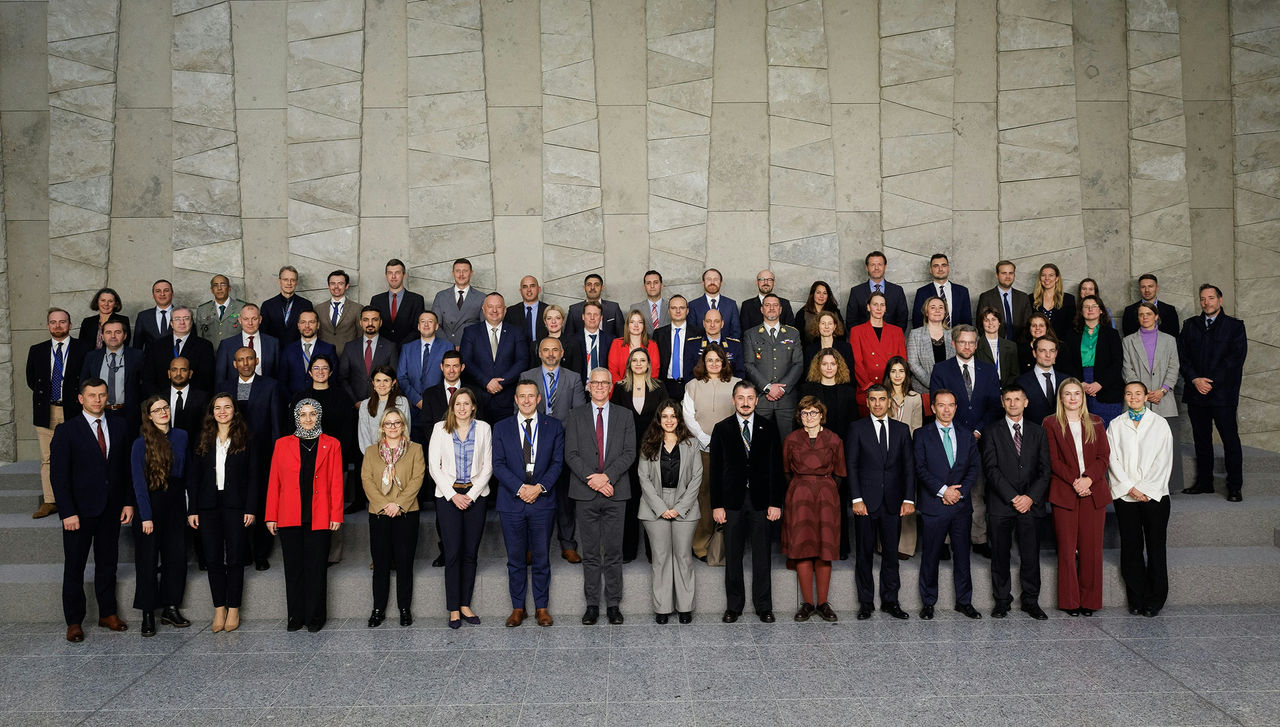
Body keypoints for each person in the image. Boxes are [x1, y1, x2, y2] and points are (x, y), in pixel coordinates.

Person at [51, 379, 134, 642]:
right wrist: (67, 512)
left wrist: (128, 502)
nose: (97, 400)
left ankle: (107, 613)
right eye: (91, 396)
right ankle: (74, 621)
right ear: (80, 399)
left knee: (107, 564)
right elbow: (59, 476)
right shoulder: (67, 430)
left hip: (111, 508)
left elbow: (125, 469)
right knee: (74, 567)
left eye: (101, 395)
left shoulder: (120, 426)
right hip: (79, 512)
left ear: (107, 397)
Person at [564, 368, 637, 626]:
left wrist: (607, 477)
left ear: (610, 387)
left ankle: (614, 604)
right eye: (594, 382)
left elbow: (629, 453)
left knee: (614, 552)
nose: (599, 386)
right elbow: (571, 454)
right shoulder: (575, 415)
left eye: (604, 383)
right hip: (585, 493)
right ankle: (592, 604)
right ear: (588, 386)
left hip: (615, 492)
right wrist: (592, 479)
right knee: (592, 553)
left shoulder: (625, 415)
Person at [265, 399, 344, 632]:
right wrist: (271, 515)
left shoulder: (332, 444)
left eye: (312, 414)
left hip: (320, 515)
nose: (307, 419)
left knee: (316, 568)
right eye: (303, 414)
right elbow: (274, 482)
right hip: (289, 515)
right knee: (293, 568)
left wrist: (336, 514)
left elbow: (337, 483)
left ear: (318, 416)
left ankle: (315, 617)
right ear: (296, 418)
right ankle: (295, 616)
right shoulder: (282, 444)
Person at [709, 381, 785, 624]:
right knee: (733, 556)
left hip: (761, 502)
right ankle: (734, 606)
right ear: (733, 400)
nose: (745, 402)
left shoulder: (769, 427)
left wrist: (775, 502)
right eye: (740, 397)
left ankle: (764, 606)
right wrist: (717, 505)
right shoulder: (721, 429)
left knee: (762, 556)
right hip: (732, 503)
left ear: (756, 400)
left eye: (750, 398)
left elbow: (776, 468)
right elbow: (715, 471)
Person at [492, 380, 564, 627]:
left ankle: (542, 608)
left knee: (542, 557)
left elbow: (557, 463)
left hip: (542, 501)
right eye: (521, 396)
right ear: (515, 399)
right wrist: (521, 488)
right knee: (515, 559)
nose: (526, 400)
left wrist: (539, 488)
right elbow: (498, 464)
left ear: (538, 399)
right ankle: (518, 608)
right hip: (512, 502)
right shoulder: (501, 428)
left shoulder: (553, 426)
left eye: (530, 396)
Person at [929, 325, 1002, 558]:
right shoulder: (941, 369)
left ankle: (978, 538)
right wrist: (960, 433)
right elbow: (939, 405)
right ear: (954, 344)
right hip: (949, 438)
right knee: (947, 488)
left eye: (971, 342)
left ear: (977, 344)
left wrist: (979, 431)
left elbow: (994, 406)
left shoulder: (989, 370)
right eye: (963, 342)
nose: (967, 346)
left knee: (977, 490)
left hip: (980, 440)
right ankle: (943, 540)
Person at [980, 384, 1051, 620]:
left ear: (1026, 402)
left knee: (1030, 555)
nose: (1013, 403)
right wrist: (1013, 497)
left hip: (1031, 504)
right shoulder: (991, 431)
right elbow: (991, 469)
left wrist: (1030, 497)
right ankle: (1002, 600)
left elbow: (1045, 470)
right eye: (1008, 399)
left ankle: (1031, 600)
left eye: (1017, 399)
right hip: (1001, 504)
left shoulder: (1038, 432)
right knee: (1000, 555)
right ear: (1002, 402)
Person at [187, 393, 256, 633]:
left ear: (235, 411)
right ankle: (219, 608)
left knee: (236, 557)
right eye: (218, 407)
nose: (222, 411)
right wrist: (192, 508)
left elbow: (254, 477)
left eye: (227, 407)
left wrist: (250, 508)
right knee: (213, 558)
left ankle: (234, 608)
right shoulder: (203, 438)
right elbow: (193, 477)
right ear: (212, 412)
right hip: (207, 505)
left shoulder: (247, 438)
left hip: (236, 504)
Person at [846, 384, 914, 620]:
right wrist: (856, 498)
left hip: (893, 502)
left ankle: (890, 601)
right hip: (865, 502)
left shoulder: (902, 430)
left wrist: (908, 498)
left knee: (891, 555)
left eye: (882, 399)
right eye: (873, 399)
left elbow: (908, 468)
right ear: (867, 402)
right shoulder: (856, 429)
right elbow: (851, 466)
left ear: (889, 402)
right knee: (864, 554)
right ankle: (866, 603)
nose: (877, 404)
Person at [1044, 378, 1110, 616]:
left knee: (1092, 550)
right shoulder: (1050, 423)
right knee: (1067, 550)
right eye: (1068, 394)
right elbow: (1053, 460)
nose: (1073, 398)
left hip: (1093, 492)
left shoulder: (1096, 422)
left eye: (1077, 394)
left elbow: (1103, 456)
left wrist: (1089, 479)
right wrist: (1076, 481)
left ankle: (1090, 601)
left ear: (1083, 398)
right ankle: (1070, 601)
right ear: (1061, 398)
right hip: (1065, 492)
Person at [912, 389, 980, 620]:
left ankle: (964, 601)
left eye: (951, 404)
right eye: (941, 405)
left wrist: (958, 493)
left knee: (962, 555)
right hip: (934, 503)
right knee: (930, 555)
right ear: (932, 408)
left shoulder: (966, 434)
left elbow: (973, 468)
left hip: (961, 505)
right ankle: (929, 602)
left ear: (956, 407)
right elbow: (920, 468)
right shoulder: (921, 435)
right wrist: (943, 491)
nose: (947, 409)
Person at [1108, 382, 1174, 617]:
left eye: (1138, 393)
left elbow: (1164, 460)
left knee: (1156, 548)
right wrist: (1130, 488)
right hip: (1126, 497)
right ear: (1124, 397)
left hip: (1155, 496)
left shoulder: (1160, 424)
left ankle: (1155, 599)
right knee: (1131, 548)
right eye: (1129, 393)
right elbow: (1112, 459)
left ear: (1146, 396)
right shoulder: (1116, 425)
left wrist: (1144, 489)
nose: (1133, 397)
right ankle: (1137, 597)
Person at [427, 388, 492, 628]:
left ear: (473, 406)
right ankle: (453, 608)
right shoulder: (440, 428)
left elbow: (488, 466)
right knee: (452, 552)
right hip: (448, 496)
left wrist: (471, 495)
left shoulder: (484, 428)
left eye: (467, 404)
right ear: (452, 407)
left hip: (476, 496)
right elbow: (434, 466)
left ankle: (465, 603)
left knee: (470, 553)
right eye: (458, 404)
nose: (462, 408)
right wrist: (454, 495)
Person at [216, 347, 283, 571]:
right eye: (240, 360)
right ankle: (242, 552)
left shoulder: (270, 385)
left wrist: (276, 455)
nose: (245, 363)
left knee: (263, 504)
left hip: (262, 455)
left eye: (249, 359)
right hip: (232, 456)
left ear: (257, 360)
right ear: (234, 364)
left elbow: (275, 424)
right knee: (237, 504)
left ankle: (261, 554)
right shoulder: (224, 387)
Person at [1178, 284, 1247, 501]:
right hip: (1196, 392)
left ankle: (1234, 486)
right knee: (1202, 440)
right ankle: (1204, 482)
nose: (1206, 302)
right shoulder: (1190, 325)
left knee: (1230, 440)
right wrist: (1195, 379)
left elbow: (1235, 360)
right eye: (1203, 299)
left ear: (1220, 300)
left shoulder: (1235, 327)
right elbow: (1182, 356)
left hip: (1223, 395)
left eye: (1211, 298)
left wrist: (1211, 382)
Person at [781, 397, 847, 622]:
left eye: (813, 413)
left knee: (824, 547)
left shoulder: (834, 439)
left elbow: (840, 472)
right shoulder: (791, 439)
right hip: (799, 497)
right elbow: (786, 471)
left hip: (826, 498)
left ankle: (823, 603)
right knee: (803, 546)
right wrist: (803, 487)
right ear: (799, 417)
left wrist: (824, 488)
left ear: (821, 415)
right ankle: (808, 603)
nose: (809, 417)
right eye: (804, 413)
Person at [520, 337, 586, 563]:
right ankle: (531, 547)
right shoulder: (527, 377)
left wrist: (555, 432)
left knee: (565, 498)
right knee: (534, 498)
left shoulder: (573, 378)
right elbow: (522, 411)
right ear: (539, 353)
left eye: (555, 350)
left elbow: (577, 413)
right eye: (546, 350)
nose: (550, 354)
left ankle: (568, 545)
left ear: (562, 352)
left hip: (565, 444)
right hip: (533, 444)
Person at [129, 395, 191, 636]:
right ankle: (147, 613)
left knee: (175, 558)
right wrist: (145, 516)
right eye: (157, 410)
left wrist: (189, 508)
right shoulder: (140, 443)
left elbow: (186, 474)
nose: (163, 412)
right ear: (149, 415)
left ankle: (171, 607)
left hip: (175, 503)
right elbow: (138, 483)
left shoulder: (182, 436)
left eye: (166, 407)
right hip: (150, 505)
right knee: (147, 561)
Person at [636, 401, 702, 624]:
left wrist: (680, 508)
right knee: (661, 558)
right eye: (664, 416)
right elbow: (643, 478)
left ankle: (685, 607)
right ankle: (662, 608)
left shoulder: (692, 444)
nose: (669, 420)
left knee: (683, 557)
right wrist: (662, 509)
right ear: (658, 419)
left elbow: (696, 478)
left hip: (686, 504)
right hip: (654, 504)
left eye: (673, 416)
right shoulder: (649, 444)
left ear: (679, 418)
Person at [361, 407, 425, 627]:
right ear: (382, 427)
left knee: (405, 562)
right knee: (380, 563)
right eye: (388, 423)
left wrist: (398, 504)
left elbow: (418, 479)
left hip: (406, 512)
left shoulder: (415, 449)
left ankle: (404, 609)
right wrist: (384, 505)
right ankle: (378, 609)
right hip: (379, 513)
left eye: (397, 423)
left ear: (403, 425)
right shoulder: (371, 451)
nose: (393, 427)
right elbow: (366, 480)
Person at [682, 344, 741, 562]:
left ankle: (727, 545)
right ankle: (701, 545)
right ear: (703, 363)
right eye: (710, 360)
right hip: (702, 450)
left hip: (731, 452)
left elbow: (742, 414)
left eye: (718, 360)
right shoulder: (692, 386)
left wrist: (723, 442)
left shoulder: (736, 385)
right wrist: (707, 440)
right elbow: (688, 416)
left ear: (724, 362)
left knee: (730, 497)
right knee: (704, 498)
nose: (714, 364)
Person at [28, 308, 88, 519]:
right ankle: (50, 501)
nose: (58, 326)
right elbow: (31, 380)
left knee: (78, 455)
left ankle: (77, 498)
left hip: (75, 410)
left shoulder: (83, 349)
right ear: (48, 325)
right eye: (53, 322)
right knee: (48, 458)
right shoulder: (37, 350)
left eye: (62, 322)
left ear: (70, 325)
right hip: (47, 410)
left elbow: (87, 378)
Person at [798, 349, 858, 560]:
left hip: (839, 452)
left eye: (833, 364)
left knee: (838, 500)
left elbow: (853, 425)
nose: (829, 368)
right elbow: (802, 421)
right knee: (813, 501)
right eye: (825, 364)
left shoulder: (848, 391)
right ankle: (814, 546)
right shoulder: (808, 389)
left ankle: (839, 546)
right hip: (814, 453)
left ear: (839, 366)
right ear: (818, 366)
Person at [611, 348, 665, 563]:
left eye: (643, 360)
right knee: (630, 500)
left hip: (653, 451)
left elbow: (667, 419)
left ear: (649, 363)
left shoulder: (660, 387)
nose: (639, 363)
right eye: (635, 360)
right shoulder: (620, 388)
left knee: (652, 499)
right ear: (629, 363)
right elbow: (614, 421)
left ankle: (654, 552)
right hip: (627, 453)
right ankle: (628, 551)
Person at [1121, 302, 1183, 491]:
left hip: (1164, 398)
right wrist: (1143, 393)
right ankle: (1138, 484)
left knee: (1166, 444)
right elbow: (1127, 369)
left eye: (1149, 314)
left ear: (1156, 316)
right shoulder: (1128, 341)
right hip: (1138, 399)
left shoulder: (1169, 340)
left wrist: (1162, 390)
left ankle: (1169, 485)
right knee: (1137, 445)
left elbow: (1174, 367)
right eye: (1141, 314)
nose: (1145, 317)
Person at [460, 292, 530, 421]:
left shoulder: (516, 332)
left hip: (507, 398)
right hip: (478, 399)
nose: (494, 310)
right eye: (490, 306)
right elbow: (466, 361)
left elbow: (522, 361)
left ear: (504, 309)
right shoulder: (470, 332)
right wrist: (486, 382)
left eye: (498, 307)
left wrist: (501, 382)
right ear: (483, 309)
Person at [744, 294, 804, 436]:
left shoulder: (793, 333)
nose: (771, 308)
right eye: (767, 305)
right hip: (761, 399)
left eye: (775, 305)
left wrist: (781, 389)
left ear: (781, 309)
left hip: (786, 400)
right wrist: (768, 387)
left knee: (788, 443)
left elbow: (798, 364)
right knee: (760, 443)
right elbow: (749, 365)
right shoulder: (751, 334)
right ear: (762, 309)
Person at [883, 357, 923, 561]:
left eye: (901, 371)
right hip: (885, 454)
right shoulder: (882, 396)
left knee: (907, 498)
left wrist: (912, 457)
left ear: (907, 374)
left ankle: (906, 546)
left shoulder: (915, 397)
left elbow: (917, 429)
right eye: (893, 371)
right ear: (888, 374)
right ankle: (885, 544)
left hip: (907, 454)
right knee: (886, 500)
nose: (897, 375)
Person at [81, 319, 145, 437]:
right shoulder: (92, 357)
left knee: (127, 451)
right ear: (102, 336)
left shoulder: (137, 356)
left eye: (118, 332)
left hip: (128, 414)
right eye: (108, 332)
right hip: (99, 412)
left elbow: (145, 385)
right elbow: (84, 384)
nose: (113, 336)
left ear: (125, 335)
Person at [850, 291, 908, 416]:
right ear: (868, 307)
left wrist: (894, 386)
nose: (879, 308)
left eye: (882, 305)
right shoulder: (857, 331)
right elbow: (857, 362)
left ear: (886, 308)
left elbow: (902, 361)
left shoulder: (896, 331)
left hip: (893, 390)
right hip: (867, 390)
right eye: (875, 304)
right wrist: (870, 387)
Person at [397, 310, 452, 443]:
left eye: (430, 321)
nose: (426, 325)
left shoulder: (447, 346)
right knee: (415, 446)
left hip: (438, 406)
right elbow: (401, 377)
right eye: (423, 322)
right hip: (413, 406)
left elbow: (450, 375)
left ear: (437, 326)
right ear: (418, 326)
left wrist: (429, 400)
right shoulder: (407, 348)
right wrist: (417, 400)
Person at [1070, 295, 1124, 423]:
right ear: (1081, 311)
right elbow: (1067, 363)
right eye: (1086, 307)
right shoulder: (1071, 334)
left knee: (1107, 431)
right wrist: (1080, 383)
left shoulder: (1112, 334)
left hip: (1106, 386)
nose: (1090, 309)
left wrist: (1100, 384)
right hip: (1079, 384)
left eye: (1094, 306)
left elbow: (1117, 363)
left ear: (1101, 311)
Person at [143, 306, 215, 393]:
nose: (182, 322)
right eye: (177, 319)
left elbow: (206, 379)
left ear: (191, 322)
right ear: (171, 323)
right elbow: (148, 377)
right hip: (161, 400)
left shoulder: (205, 346)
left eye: (186, 318)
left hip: (193, 401)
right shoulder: (156, 346)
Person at [339, 306, 399, 403]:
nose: (370, 323)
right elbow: (343, 378)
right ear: (360, 323)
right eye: (366, 320)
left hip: (382, 404)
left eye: (374, 320)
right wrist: (355, 401)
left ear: (380, 322)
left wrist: (383, 401)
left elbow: (394, 378)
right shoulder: (349, 347)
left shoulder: (390, 347)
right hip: (354, 405)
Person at [214, 303, 279, 383]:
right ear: (240, 320)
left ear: (260, 319)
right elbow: (220, 378)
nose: (250, 323)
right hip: (235, 393)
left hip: (265, 392)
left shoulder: (272, 343)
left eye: (254, 319)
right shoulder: (226, 345)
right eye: (246, 319)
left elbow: (277, 375)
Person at [279, 309, 337, 397]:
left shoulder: (328, 349)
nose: (307, 326)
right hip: (294, 401)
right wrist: (290, 402)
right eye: (303, 322)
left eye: (311, 322)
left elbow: (333, 378)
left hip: (322, 400)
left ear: (318, 325)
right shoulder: (288, 349)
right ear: (298, 325)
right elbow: (282, 380)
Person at [847, 251, 910, 330]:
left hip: (891, 339)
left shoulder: (897, 290)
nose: (876, 268)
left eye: (880, 264)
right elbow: (851, 321)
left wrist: (893, 338)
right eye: (872, 265)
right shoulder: (856, 291)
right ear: (867, 267)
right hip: (864, 339)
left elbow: (902, 319)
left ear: (885, 266)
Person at [430, 258, 486, 347]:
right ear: (453, 273)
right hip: (445, 348)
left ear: (471, 273)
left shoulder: (482, 297)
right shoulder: (441, 296)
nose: (461, 274)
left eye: (465, 271)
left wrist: (468, 345)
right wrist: (448, 346)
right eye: (457, 271)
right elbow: (434, 324)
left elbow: (484, 327)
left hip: (471, 347)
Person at [357, 365, 413, 453]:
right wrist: (372, 456)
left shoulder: (402, 402)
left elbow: (405, 432)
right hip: (372, 457)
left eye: (386, 380)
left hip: (398, 455)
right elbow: (364, 436)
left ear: (393, 382)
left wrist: (394, 456)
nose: (382, 384)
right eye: (378, 380)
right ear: (373, 383)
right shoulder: (365, 405)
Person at [370, 258, 426, 344]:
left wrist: (401, 347)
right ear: (386, 275)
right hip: (382, 350)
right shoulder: (376, 300)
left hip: (407, 350)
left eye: (397, 273)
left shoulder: (416, 300)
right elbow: (373, 326)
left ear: (404, 275)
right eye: (390, 273)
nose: (393, 276)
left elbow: (418, 328)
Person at [907, 296, 954, 395]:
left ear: (945, 312)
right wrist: (932, 383)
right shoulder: (915, 334)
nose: (937, 310)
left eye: (941, 307)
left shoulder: (954, 334)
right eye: (932, 307)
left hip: (950, 388)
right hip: (923, 390)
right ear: (926, 312)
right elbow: (913, 363)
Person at [911, 253, 972, 328]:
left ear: (948, 268)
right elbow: (917, 321)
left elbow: (967, 321)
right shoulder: (922, 292)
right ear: (930, 270)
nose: (940, 269)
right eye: (936, 266)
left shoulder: (962, 291)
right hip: (931, 338)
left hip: (957, 338)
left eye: (944, 265)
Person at [682, 308, 744, 379]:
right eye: (708, 321)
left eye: (716, 321)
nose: (712, 325)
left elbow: (740, 374)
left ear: (722, 324)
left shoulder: (734, 345)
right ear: (704, 323)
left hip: (728, 388)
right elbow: (688, 375)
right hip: (700, 388)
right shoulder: (692, 345)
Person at [1017, 336, 1067, 424]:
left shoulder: (1066, 380)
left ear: (1056, 354)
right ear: (1034, 353)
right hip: (1032, 435)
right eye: (1043, 350)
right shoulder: (1021, 382)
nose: (1048, 355)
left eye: (1052, 351)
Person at [976, 260, 1030, 341]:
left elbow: (1028, 324)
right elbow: (980, 325)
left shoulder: (1023, 297)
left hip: (1020, 345)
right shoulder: (986, 297)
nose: (1008, 276)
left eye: (1011, 273)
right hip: (995, 345)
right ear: (997, 275)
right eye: (1004, 273)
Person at [259, 265, 313, 345]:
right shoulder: (267, 305)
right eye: (285, 280)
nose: (289, 283)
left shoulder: (306, 305)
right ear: (279, 281)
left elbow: (310, 331)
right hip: (274, 352)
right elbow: (263, 333)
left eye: (292, 280)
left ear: (296, 282)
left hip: (298, 351)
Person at [653, 295, 694, 399]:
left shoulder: (698, 333)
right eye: (673, 308)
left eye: (682, 307)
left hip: (691, 383)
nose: (678, 311)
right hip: (665, 385)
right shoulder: (659, 334)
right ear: (668, 311)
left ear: (687, 310)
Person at [161, 357, 210, 438]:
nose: (178, 374)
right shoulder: (159, 397)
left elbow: (207, 428)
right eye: (174, 370)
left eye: (183, 370)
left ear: (190, 373)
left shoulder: (203, 398)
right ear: (169, 373)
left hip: (195, 448)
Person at [566, 273, 625, 339]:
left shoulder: (613, 308)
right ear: (584, 287)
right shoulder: (574, 310)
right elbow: (568, 337)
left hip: (609, 348)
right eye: (589, 285)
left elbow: (622, 335)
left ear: (602, 287)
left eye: (597, 285)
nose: (592, 288)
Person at [566, 301, 615, 380]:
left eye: (596, 314)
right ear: (583, 316)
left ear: (601, 317)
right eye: (588, 314)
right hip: (579, 387)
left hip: (602, 387)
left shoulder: (611, 340)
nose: (592, 318)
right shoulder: (572, 340)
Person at [688, 268, 741, 340]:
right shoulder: (693, 305)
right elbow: (691, 333)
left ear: (721, 283)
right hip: (701, 349)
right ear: (703, 282)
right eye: (709, 279)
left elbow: (736, 332)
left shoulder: (731, 305)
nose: (712, 282)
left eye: (716, 279)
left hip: (726, 349)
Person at [608, 309, 660, 383]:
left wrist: (641, 387)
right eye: (632, 322)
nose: (636, 325)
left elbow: (654, 372)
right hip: (621, 388)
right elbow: (613, 371)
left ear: (644, 326)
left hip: (646, 388)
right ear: (627, 325)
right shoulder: (616, 343)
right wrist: (623, 388)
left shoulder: (652, 345)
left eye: (640, 322)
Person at [1121, 273, 1180, 337]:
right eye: (1143, 287)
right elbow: (1128, 337)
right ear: (1139, 289)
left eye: (1150, 286)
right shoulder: (1129, 311)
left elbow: (1174, 336)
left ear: (1157, 288)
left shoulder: (1170, 310)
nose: (1147, 290)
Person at [194, 274, 248, 345]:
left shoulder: (242, 307)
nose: (219, 288)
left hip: (235, 353)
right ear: (212, 290)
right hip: (211, 354)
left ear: (229, 288)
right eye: (215, 285)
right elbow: (199, 338)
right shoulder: (202, 310)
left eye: (223, 284)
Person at [1031, 263, 1076, 341]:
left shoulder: (1068, 299)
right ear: (1040, 278)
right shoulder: (1031, 299)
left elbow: (1071, 328)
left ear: (1057, 278)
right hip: (1037, 347)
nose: (1047, 278)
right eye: (1043, 275)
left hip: (1061, 346)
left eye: (1051, 275)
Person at [316, 269, 360, 351]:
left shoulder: (357, 308)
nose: (336, 287)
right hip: (323, 356)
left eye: (340, 283)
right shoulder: (318, 309)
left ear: (347, 286)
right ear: (329, 286)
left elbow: (360, 336)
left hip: (349, 355)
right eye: (333, 283)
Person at [801, 310, 855, 375]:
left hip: (841, 384)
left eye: (830, 323)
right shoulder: (810, 349)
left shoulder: (846, 348)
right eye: (823, 323)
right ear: (818, 326)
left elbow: (850, 373)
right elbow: (807, 374)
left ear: (835, 326)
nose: (826, 327)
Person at [975, 307, 1019, 386]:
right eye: (986, 320)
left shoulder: (1011, 346)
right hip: (984, 389)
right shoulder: (976, 346)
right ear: (982, 323)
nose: (990, 323)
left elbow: (1015, 374)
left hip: (1007, 390)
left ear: (999, 322)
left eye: (994, 319)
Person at [794, 280, 844, 346]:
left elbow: (842, 335)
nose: (821, 296)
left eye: (825, 293)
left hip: (833, 351)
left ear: (828, 296)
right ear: (813, 294)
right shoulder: (802, 313)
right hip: (809, 352)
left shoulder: (835, 312)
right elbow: (798, 339)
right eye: (818, 292)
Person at [132, 279, 175, 352]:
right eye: (158, 291)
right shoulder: (143, 316)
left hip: (177, 361)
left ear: (172, 294)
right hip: (150, 361)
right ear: (153, 295)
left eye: (166, 290)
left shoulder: (184, 314)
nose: (162, 294)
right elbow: (137, 346)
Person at [505, 275, 549, 345]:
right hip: (518, 353)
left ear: (539, 289)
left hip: (543, 352)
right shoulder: (511, 312)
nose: (529, 290)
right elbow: (506, 337)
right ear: (520, 291)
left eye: (532, 286)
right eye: (525, 287)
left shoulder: (548, 310)